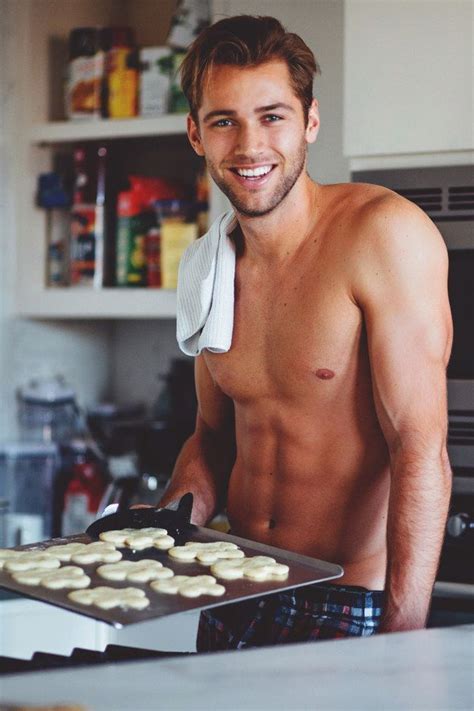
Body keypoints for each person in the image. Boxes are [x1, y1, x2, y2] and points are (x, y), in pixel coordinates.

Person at [159, 15, 453, 651]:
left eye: (272, 116)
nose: (249, 146)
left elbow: (419, 448)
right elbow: (211, 438)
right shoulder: (208, 263)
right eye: (223, 121)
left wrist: (405, 639)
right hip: (234, 583)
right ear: (195, 134)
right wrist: (161, 524)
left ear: (310, 122)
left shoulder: (381, 235)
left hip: (349, 598)